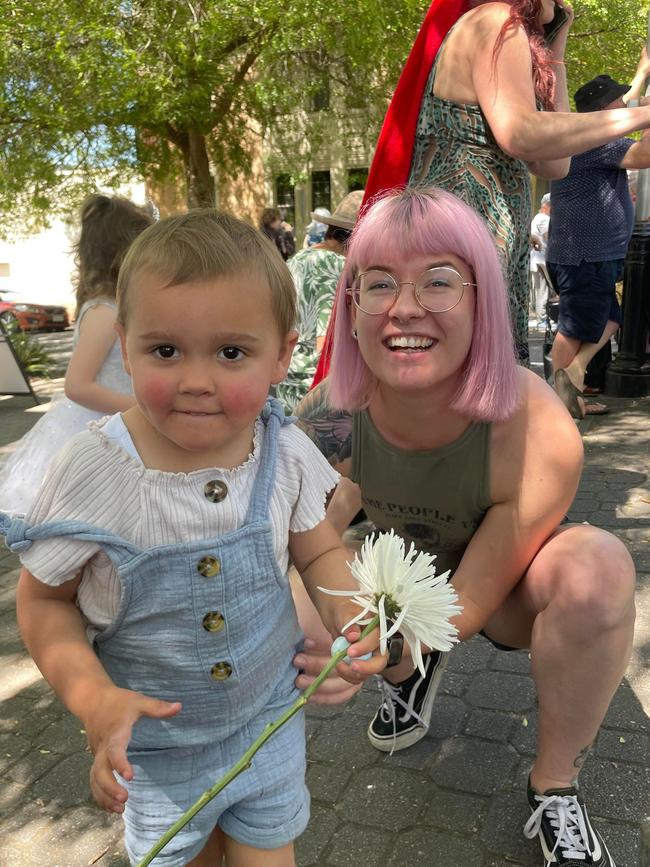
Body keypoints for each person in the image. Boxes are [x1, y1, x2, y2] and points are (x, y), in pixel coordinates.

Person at [1, 211, 385, 867]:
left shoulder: (282, 448)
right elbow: (45, 602)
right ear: (126, 347)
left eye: (231, 352)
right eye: (166, 350)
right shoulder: (95, 470)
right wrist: (92, 697)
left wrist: (350, 610)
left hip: (267, 725)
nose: (197, 380)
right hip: (157, 753)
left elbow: (318, 548)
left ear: (282, 355)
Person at [294, 187, 635, 867]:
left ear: (484, 305)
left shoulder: (538, 426)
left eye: (440, 281)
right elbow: (300, 543)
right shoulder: (330, 414)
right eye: (379, 283)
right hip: (391, 572)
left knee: (599, 571)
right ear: (353, 307)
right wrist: (318, 637)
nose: (406, 306)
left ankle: (554, 783)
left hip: (499, 590)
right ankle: (408, 674)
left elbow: (469, 603)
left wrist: (385, 653)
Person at [313, 0, 650, 383]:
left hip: (480, 249)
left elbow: (556, 163)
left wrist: (556, 44)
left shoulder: (507, 31)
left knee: (479, 390)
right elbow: (520, 134)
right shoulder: (494, 19)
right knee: (463, 388)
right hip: (458, 247)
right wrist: (642, 114)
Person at [0, 194, 153, 516]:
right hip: (100, 427)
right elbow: (77, 386)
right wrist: (143, 409)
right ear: (122, 255)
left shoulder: (116, 306)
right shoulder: (103, 312)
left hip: (120, 423)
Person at [548, 50, 650, 419]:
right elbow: (644, 155)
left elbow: (629, 106)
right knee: (573, 329)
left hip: (582, 252)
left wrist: (640, 81)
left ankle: (571, 384)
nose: (625, 107)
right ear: (605, 110)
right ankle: (557, 404)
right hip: (587, 253)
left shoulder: (582, 136)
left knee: (609, 320)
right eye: (618, 103)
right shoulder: (597, 140)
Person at [276, 191, 363, 412]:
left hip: (285, 377)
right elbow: (326, 336)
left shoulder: (299, 258)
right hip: (313, 384)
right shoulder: (335, 265)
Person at [529, 193, 552, 323]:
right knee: (543, 290)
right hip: (541, 259)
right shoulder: (543, 219)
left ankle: (541, 317)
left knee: (539, 289)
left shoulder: (537, 218)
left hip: (536, 259)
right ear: (547, 206)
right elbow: (548, 236)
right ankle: (542, 319)